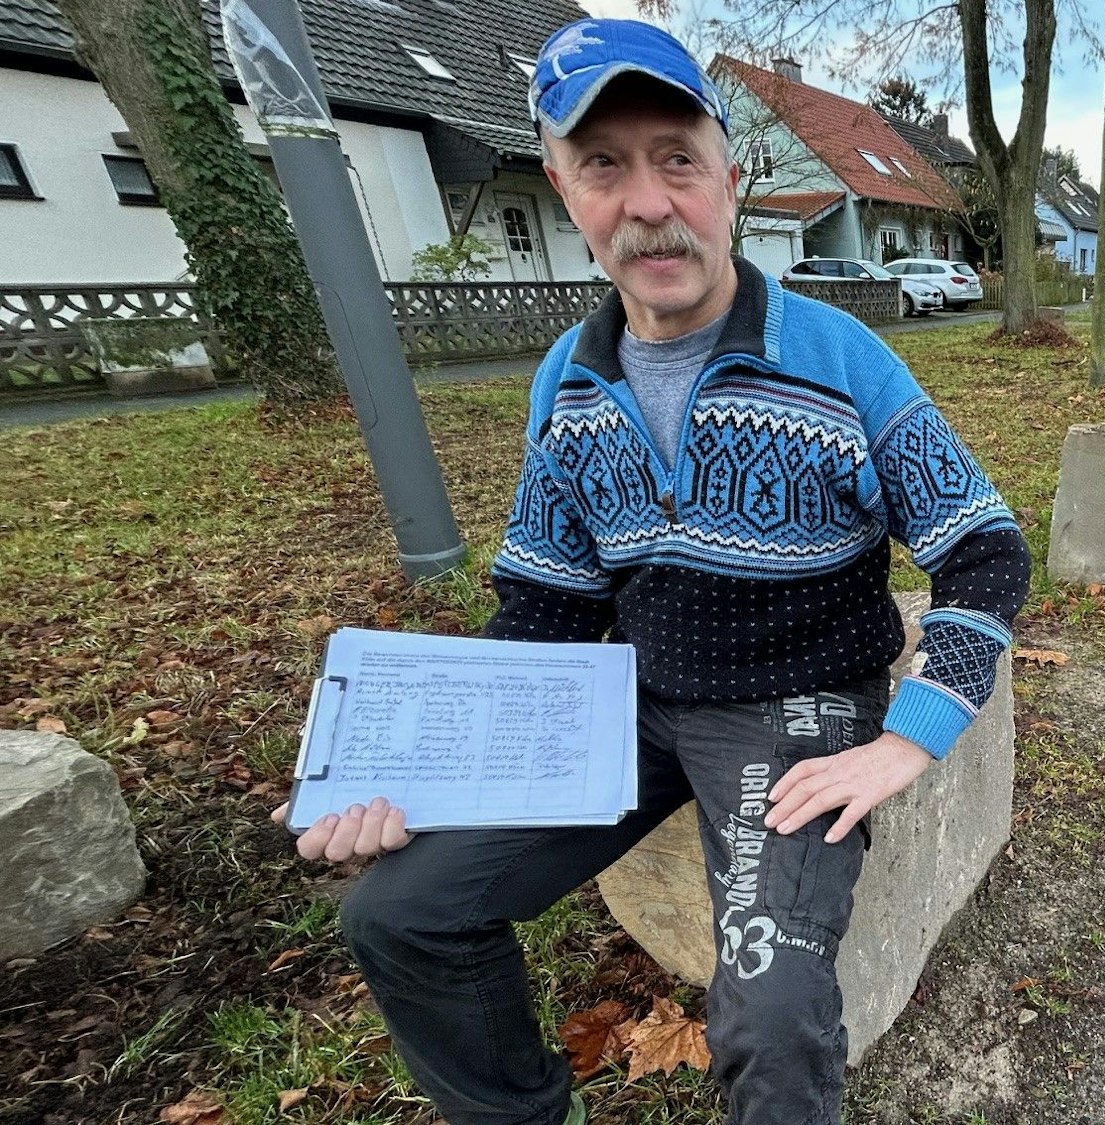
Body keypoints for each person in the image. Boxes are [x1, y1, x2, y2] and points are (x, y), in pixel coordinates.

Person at [272, 18, 1030, 1125]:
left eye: (676, 158)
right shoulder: (567, 383)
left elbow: (983, 548)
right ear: (564, 190)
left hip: (793, 708)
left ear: (730, 176)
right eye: (602, 166)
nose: (647, 202)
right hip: (619, 708)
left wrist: (907, 737)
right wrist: (430, 781)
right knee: (398, 913)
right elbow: (544, 599)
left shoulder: (838, 358)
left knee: (767, 1018)